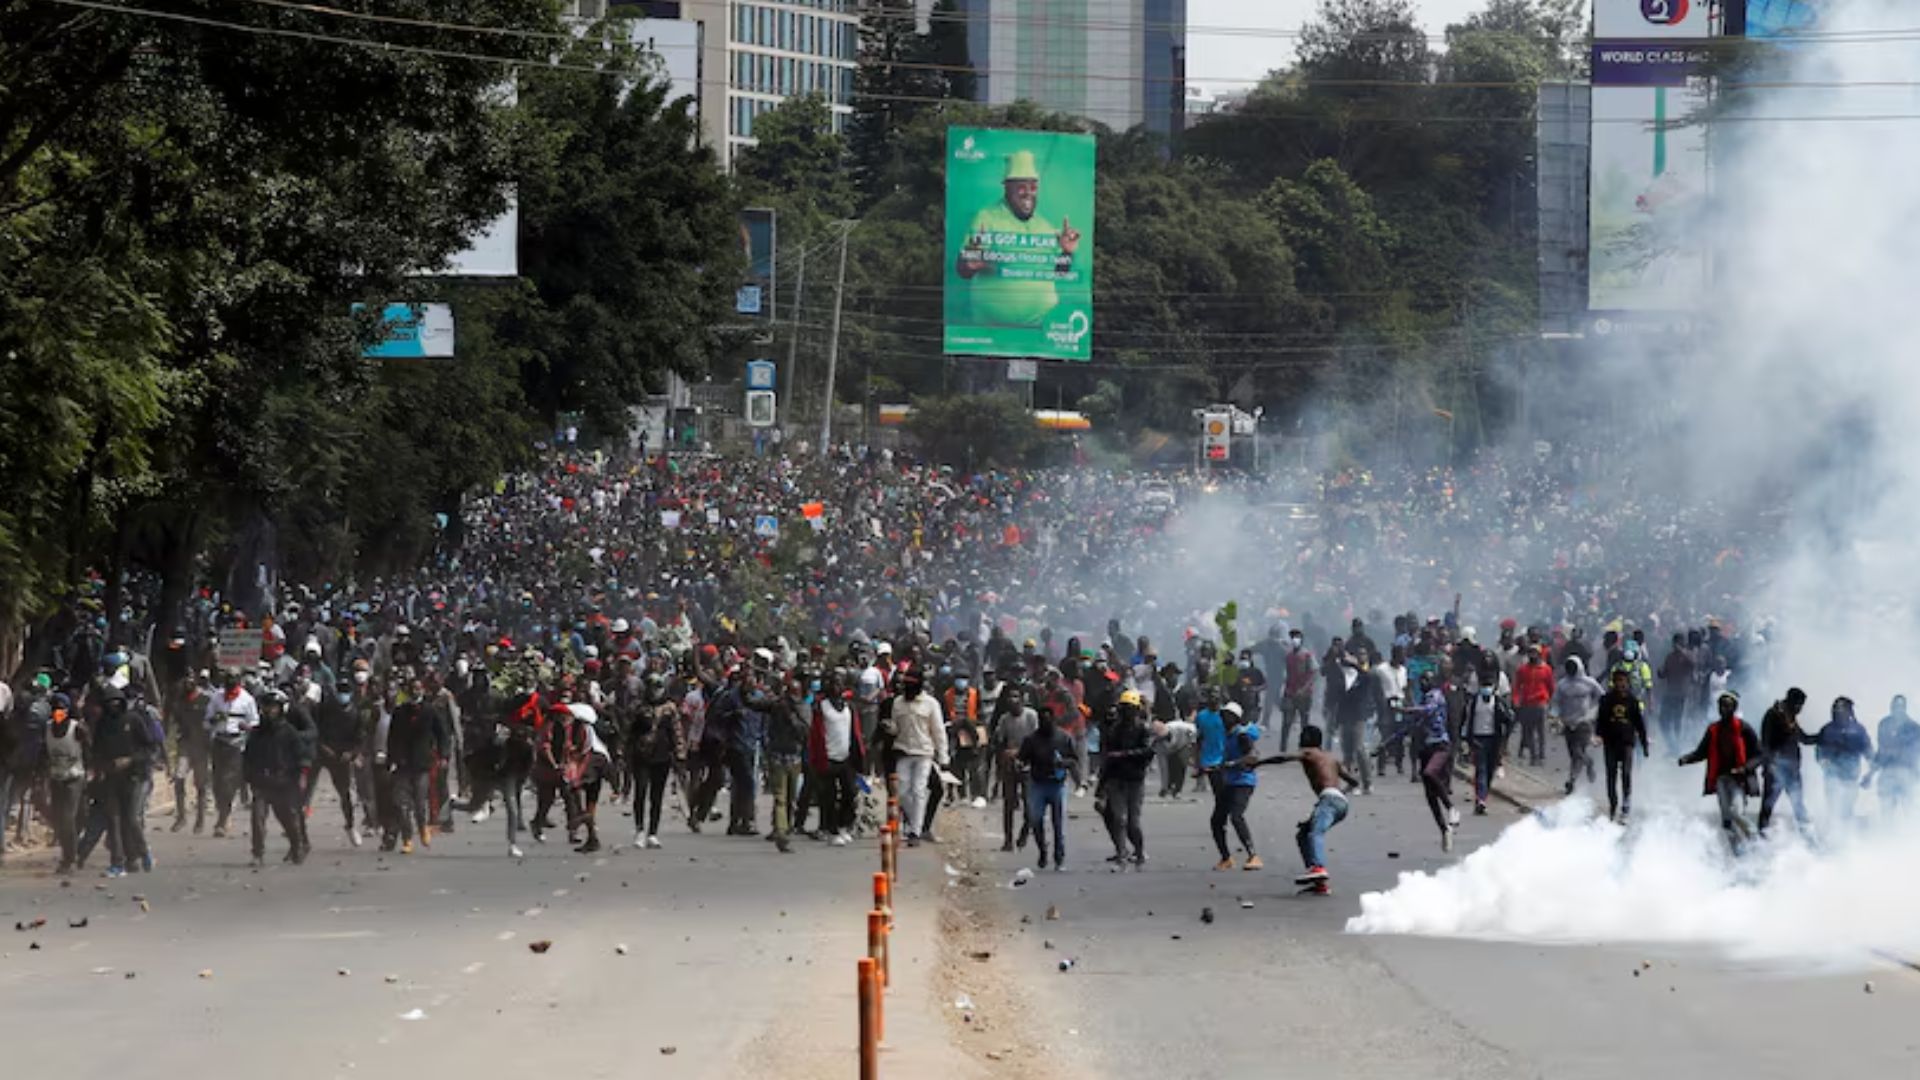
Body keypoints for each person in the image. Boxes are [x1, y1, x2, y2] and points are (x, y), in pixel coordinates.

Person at [953, 148, 1083, 331]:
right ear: (1007, 188)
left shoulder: (1044, 226)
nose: (1028, 193)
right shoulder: (986, 218)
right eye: (1021, 187)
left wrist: (1067, 253)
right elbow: (962, 270)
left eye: (1033, 187)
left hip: (1041, 329)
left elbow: (1059, 273)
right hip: (991, 332)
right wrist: (969, 263)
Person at [1256, 726, 1360, 895]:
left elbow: (1283, 758)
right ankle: (1320, 884)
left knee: (1315, 833)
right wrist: (1340, 794)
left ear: (1308, 739)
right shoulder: (1331, 758)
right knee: (1303, 834)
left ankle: (1318, 868)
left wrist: (1258, 763)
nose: (1299, 740)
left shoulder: (1309, 752)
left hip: (1329, 800)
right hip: (1340, 802)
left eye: (1302, 737)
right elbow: (1354, 782)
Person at [1679, 691, 1762, 853]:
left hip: (1739, 780)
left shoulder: (1743, 728)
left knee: (1736, 812)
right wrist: (1686, 759)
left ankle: (1754, 837)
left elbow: (1759, 754)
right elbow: (1701, 752)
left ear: (1734, 708)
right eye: (1721, 706)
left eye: (1727, 706)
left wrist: (1745, 768)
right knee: (1727, 821)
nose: (1724, 709)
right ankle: (1739, 852)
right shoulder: (1713, 730)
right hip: (1721, 779)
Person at [1385, 672, 1457, 852]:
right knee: (1430, 795)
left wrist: (1404, 710)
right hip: (1425, 748)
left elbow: (1427, 710)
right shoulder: (1423, 699)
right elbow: (1410, 726)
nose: (1423, 683)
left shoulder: (1436, 696)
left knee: (1429, 773)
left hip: (1440, 745)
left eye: (1426, 679)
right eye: (1421, 680)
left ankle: (1451, 808)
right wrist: (1385, 744)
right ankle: (1444, 829)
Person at [243, 689, 310, 867]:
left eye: (273, 707)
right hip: (262, 783)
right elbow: (247, 757)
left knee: (288, 819)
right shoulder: (256, 733)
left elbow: (303, 756)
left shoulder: (289, 732)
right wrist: (249, 777)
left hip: (284, 783)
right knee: (257, 818)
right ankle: (257, 854)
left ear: (281, 709)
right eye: (266, 707)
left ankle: (297, 846)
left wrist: (301, 775)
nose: (269, 711)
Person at [1016, 704, 1078, 871]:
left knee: (1059, 824)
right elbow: (1022, 759)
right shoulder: (1031, 740)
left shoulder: (1063, 738)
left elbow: (1074, 760)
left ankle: (1059, 857)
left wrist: (1063, 763)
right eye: (1042, 719)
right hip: (1038, 784)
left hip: (1058, 785)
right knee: (1036, 820)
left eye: (1049, 718)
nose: (1046, 722)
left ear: (1054, 720)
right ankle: (1042, 850)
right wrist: (1019, 765)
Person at [890, 670, 948, 848]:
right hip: (903, 751)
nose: (907, 688)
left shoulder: (931, 704)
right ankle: (916, 822)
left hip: (924, 753)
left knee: (918, 791)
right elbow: (895, 728)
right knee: (902, 792)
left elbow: (938, 732)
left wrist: (943, 757)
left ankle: (914, 832)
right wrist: (890, 728)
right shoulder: (897, 703)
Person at [630, 672, 687, 850]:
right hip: (641, 755)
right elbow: (629, 731)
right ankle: (640, 830)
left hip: (662, 756)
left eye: (657, 687)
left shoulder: (670, 708)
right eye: (651, 686)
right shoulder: (638, 707)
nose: (654, 690)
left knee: (657, 796)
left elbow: (677, 731)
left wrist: (680, 754)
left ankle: (652, 833)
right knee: (640, 792)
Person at [806, 671, 862, 846]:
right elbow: (815, 735)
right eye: (833, 683)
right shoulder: (820, 707)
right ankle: (832, 830)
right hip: (828, 758)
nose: (836, 687)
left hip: (846, 758)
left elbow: (855, 732)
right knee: (828, 797)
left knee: (849, 793)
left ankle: (844, 825)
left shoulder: (849, 707)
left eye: (839, 683)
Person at [1098, 689, 1153, 866]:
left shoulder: (1143, 729)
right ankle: (1121, 852)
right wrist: (1102, 785)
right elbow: (1107, 759)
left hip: (1135, 780)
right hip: (1117, 779)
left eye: (1130, 708)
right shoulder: (1114, 730)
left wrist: (1124, 754)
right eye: (1124, 708)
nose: (1126, 712)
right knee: (1119, 819)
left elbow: (1147, 752)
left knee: (1133, 823)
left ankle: (1139, 851)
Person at [204, 670, 259, 838]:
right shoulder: (216, 697)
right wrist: (214, 719)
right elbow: (206, 722)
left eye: (233, 685)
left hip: (236, 743)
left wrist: (246, 727)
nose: (230, 689)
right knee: (217, 782)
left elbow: (255, 721)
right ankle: (223, 810)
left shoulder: (247, 699)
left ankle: (223, 819)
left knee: (229, 782)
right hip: (219, 741)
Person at [1210, 702, 1264, 871]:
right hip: (1229, 781)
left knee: (1236, 816)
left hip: (1244, 782)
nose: (1223, 719)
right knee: (1217, 820)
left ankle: (1253, 856)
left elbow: (1253, 756)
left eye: (1227, 716)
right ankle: (1226, 858)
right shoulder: (1227, 735)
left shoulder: (1242, 736)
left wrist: (1233, 764)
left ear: (1235, 718)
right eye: (1222, 716)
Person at [1758, 687, 1816, 838]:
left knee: (1798, 805)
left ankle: (1808, 838)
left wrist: (1822, 737)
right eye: (1798, 705)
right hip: (1776, 769)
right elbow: (1765, 744)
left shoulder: (1791, 717)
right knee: (1767, 806)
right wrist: (1769, 765)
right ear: (1791, 702)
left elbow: (1803, 738)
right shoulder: (1774, 715)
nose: (1800, 709)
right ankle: (1761, 838)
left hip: (1792, 771)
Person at [1595, 668, 1649, 822]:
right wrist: (1598, 735)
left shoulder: (1632, 701)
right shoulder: (1606, 700)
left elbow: (1639, 724)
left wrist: (1644, 744)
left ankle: (1626, 803)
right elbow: (1601, 720)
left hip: (1627, 743)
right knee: (1611, 775)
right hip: (1610, 743)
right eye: (1617, 681)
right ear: (1613, 682)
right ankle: (1613, 804)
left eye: (1623, 681)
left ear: (1628, 683)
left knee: (1626, 774)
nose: (1620, 684)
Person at [989, 682, 1038, 851]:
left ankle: (1024, 832)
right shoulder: (1004, 719)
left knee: (1029, 805)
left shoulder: (1031, 716)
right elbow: (999, 741)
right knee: (1008, 804)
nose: (1013, 700)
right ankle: (1008, 839)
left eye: (1016, 696)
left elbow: (1037, 740)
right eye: (1010, 697)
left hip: (1028, 764)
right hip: (1010, 765)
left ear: (1023, 699)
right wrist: (1002, 758)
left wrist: (1020, 752)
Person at [44, 693, 89, 875]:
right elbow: (43, 753)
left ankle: (69, 858)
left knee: (67, 818)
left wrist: (92, 773)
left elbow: (89, 750)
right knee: (58, 819)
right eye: (55, 709)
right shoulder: (47, 729)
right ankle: (69, 851)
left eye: (61, 709)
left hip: (74, 778)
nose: (58, 713)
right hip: (56, 778)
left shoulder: (77, 729)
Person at [1462, 658, 1511, 816]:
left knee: (1490, 770)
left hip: (1494, 739)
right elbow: (1466, 720)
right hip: (1478, 739)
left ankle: (1483, 795)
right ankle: (1480, 800)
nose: (1486, 688)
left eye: (1488, 686)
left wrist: (1504, 738)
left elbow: (1509, 719)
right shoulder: (1473, 702)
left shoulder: (1497, 702)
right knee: (1481, 770)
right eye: (1484, 685)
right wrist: (1467, 739)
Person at [1813, 696, 1871, 829]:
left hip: (1851, 777)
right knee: (1833, 807)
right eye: (1835, 710)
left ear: (1848, 712)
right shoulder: (1827, 730)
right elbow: (1819, 750)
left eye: (1841, 710)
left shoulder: (1858, 730)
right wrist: (1822, 761)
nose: (1838, 713)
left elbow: (1868, 752)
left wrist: (1870, 774)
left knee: (1847, 808)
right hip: (1831, 776)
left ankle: (1845, 833)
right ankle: (1834, 832)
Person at [1551, 657, 1603, 796]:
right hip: (1567, 723)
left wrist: (1594, 710)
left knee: (1577, 751)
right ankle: (1585, 766)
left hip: (1584, 722)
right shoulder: (1562, 684)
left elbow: (1602, 697)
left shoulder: (1589, 683)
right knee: (1574, 754)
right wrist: (1554, 716)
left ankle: (1572, 779)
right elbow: (1555, 702)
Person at [1863, 695, 1920, 817]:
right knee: (1886, 809)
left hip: (1907, 772)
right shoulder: (1884, 724)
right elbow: (1882, 750)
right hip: (1888, 772)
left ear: (1905, 708)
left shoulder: (1914, 728)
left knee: (1909, 809)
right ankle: (1887, 828)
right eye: (1895, 706)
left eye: (1900, 706)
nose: (1897, 709)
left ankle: (1910, 828)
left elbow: (1916, 753)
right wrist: (1870, 774)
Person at [1513, 646, 1555, 768]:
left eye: (1535, 653)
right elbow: (1517, 686)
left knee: (1541, 731)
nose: (1532, 655)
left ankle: (1541, 755)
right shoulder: (1522, 669)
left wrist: (1551, 702)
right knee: (1528, 731)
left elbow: (1551, 686)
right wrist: (1516, 700)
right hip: (1526, 703)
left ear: (1539, 654)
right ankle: (1534, 756)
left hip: (1541, 703)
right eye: (1530, 653)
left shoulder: (1546, 669)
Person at [1281, 628, 1315, 752]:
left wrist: (1304, 689)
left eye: (1297, 637)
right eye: (1293, 637)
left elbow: (1313, 674)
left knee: (1304, 722)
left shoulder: (1307, 655)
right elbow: (1287, 674)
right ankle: (1283, 747)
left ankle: (1304, 747)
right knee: (1286, 721)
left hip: (1304, 694)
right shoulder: (1288, 656)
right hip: (1290, 692)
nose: (1295, 640)